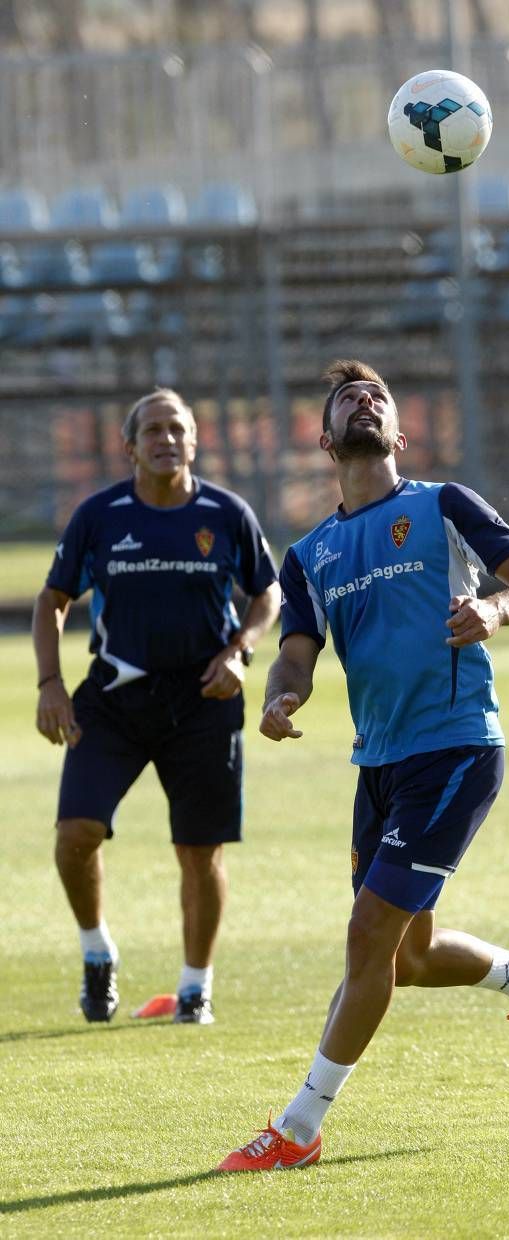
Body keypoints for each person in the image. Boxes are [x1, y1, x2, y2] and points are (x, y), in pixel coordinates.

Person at [217, 359, 509, 1172]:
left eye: (376, 396)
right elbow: (297, 654)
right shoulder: (309, 555)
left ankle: (298, 1129)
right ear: (324, 438)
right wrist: (280, 698)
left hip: (456, 747)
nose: (363, 402)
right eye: (347, 399)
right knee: (406, 958)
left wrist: (495, 606)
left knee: (366, 935)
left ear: (399, 433)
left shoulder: (443, 505)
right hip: (377, 765)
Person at [33, 387, 281, 1025]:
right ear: (129, 446)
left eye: (178, 429)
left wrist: (240, 651)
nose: (166, 439)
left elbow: (267, 594)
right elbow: (53, 599)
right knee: (74, 836)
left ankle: (195, 988)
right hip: (115, 696)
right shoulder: (101, 515)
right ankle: (96, 952)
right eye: (153, 430)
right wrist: (51, 685)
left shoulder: (226, 514)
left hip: (203, 699)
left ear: (195, 441)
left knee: (200, 851)